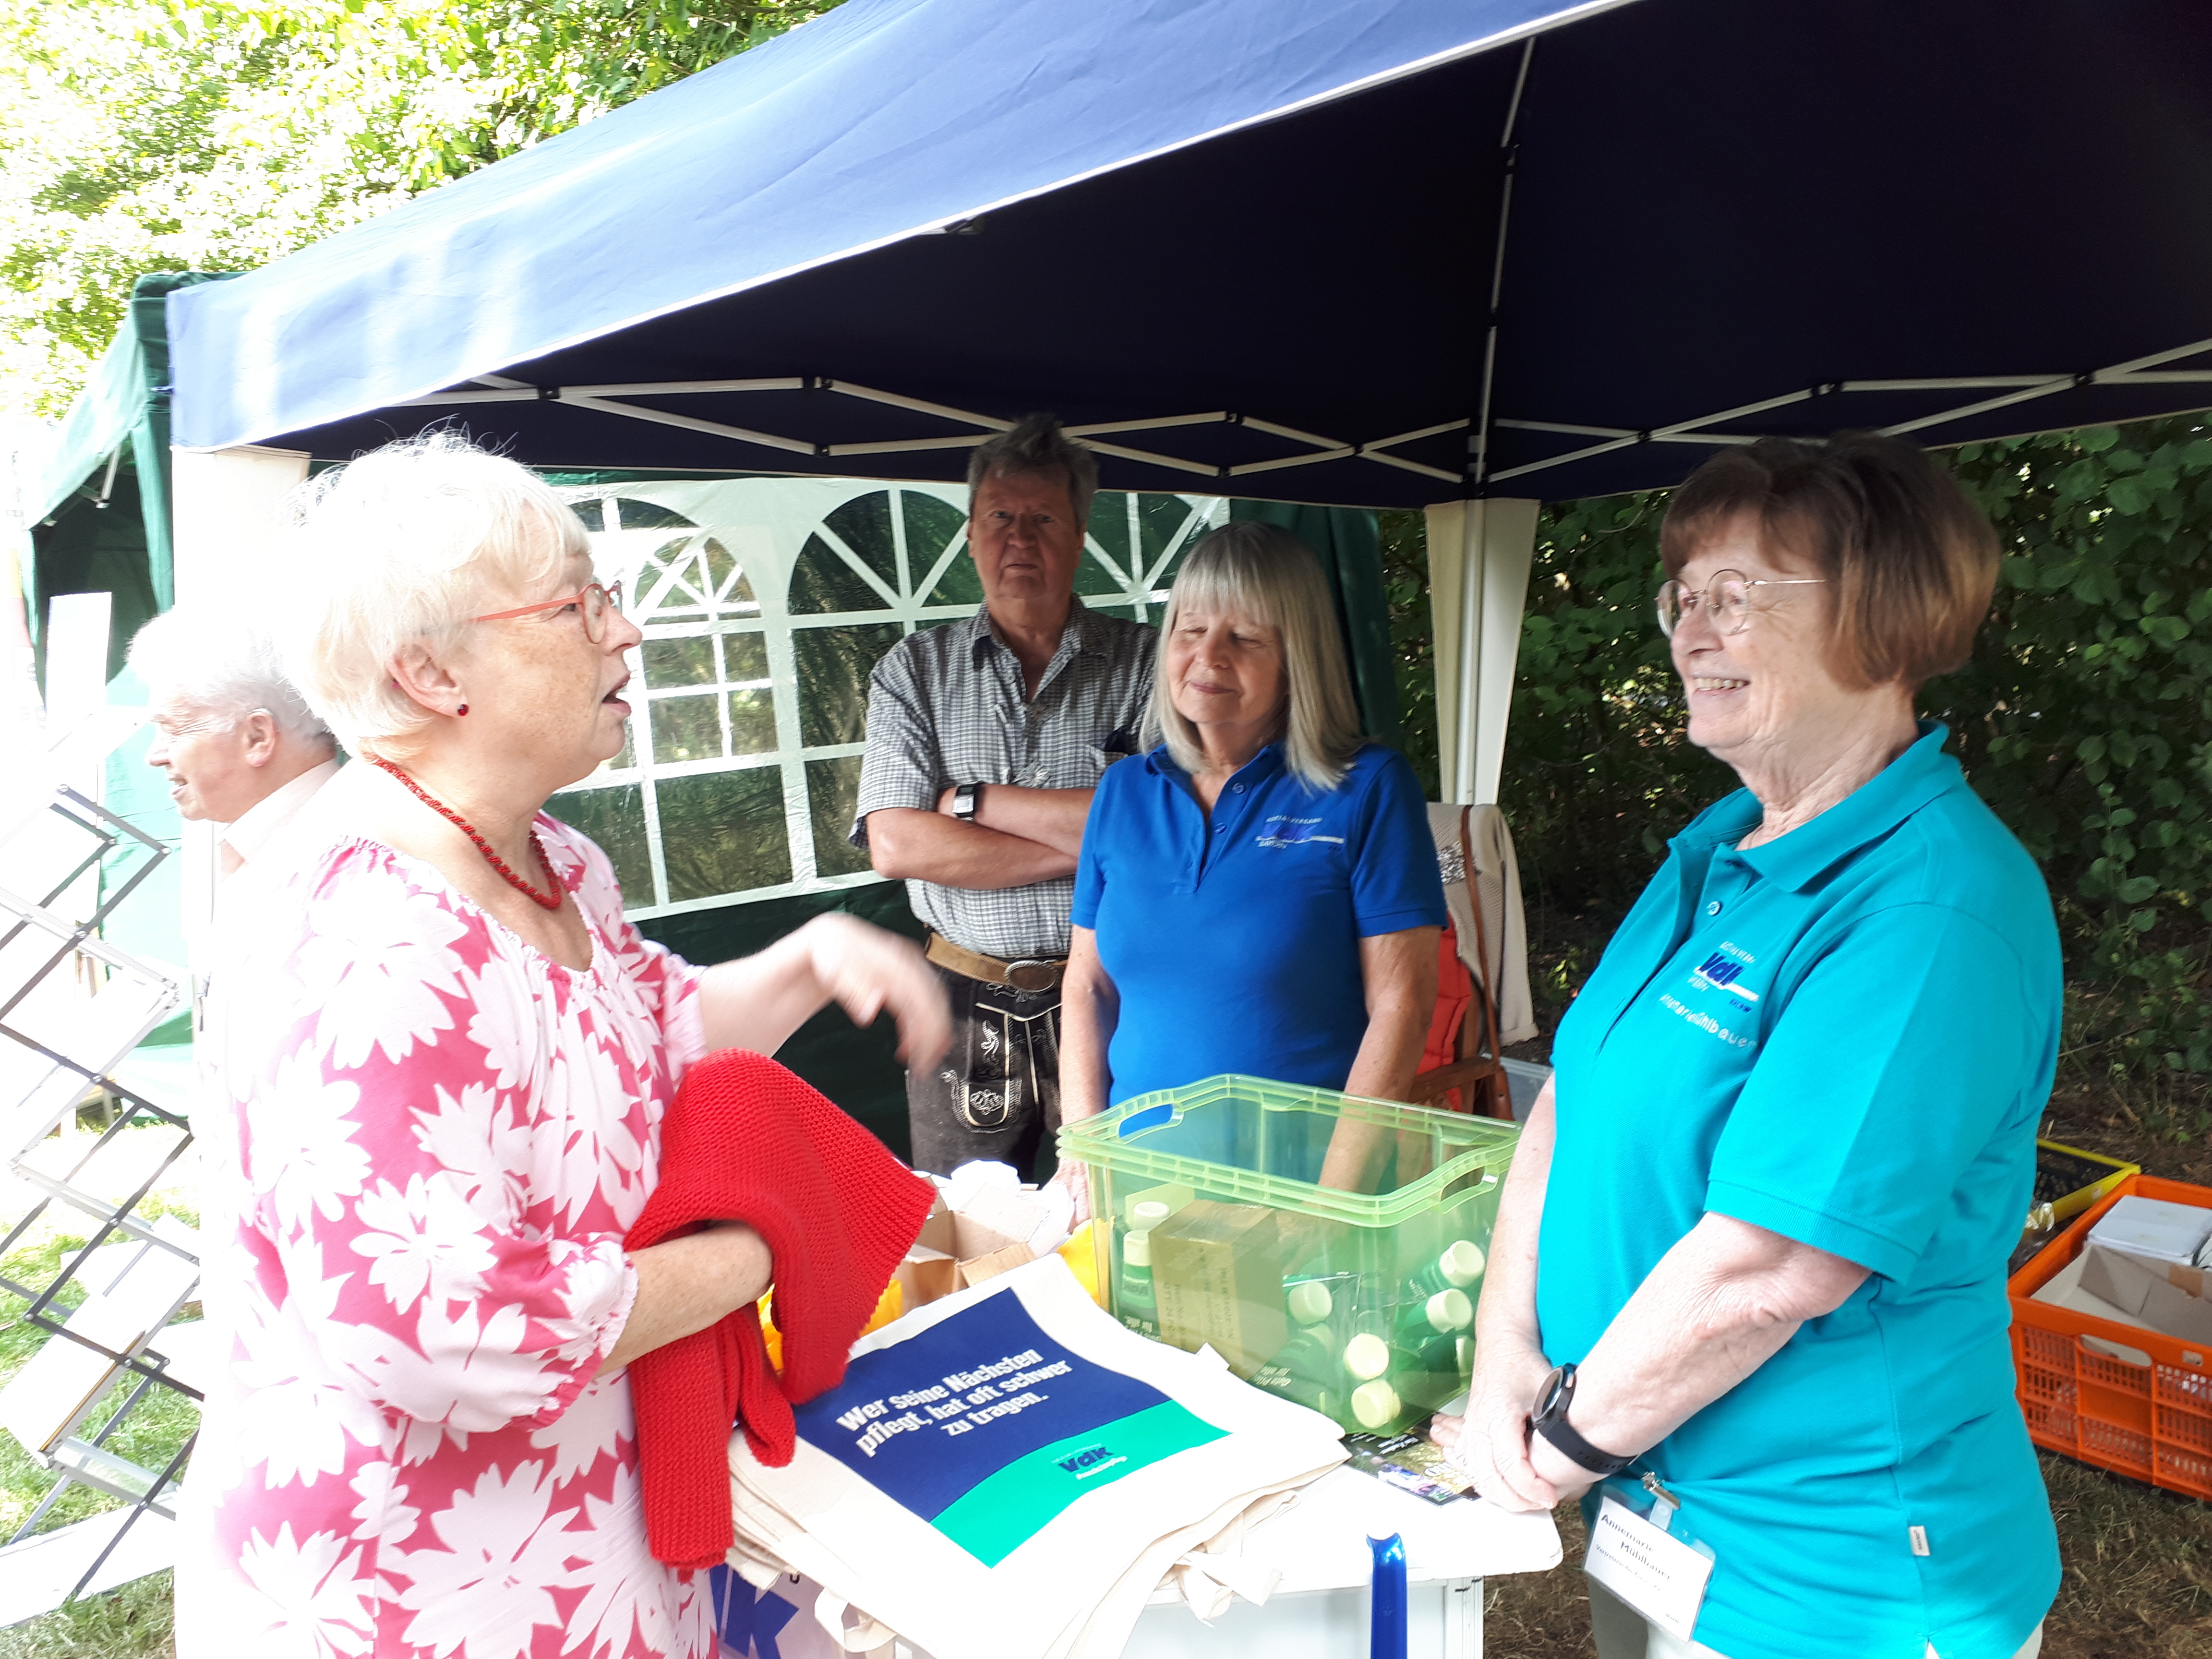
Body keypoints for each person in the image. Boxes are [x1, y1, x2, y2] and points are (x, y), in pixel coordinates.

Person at [175, 433, 949, 1659]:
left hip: (578, 1550)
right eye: (579, 602)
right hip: (405, 1595)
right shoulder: (361, 939)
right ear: (430, 670)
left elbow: (639, 1029)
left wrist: (806, 962)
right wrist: (757, 1248)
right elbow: (439, 1327)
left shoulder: (552, 859)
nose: (623, 630)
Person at [1437, 433, 2058, 1659]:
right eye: (1682, 596)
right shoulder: (1723, 848)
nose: (1687, 631)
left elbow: (1773, 1264)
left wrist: (1553, 1444)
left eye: (1736, 597)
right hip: (1655, 1495)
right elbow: (1569, 1100)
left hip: (1836, 1572)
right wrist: (1506, 1357)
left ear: (1882, 622)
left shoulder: (1933, 906)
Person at [1058, 522, 1447, 1203]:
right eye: (1190, 629)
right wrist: (1082, 1157)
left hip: (1300, 1191)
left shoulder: (1366, 787)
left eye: (1246, 637)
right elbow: (1087, 987)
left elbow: (1402, 1006)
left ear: (1298, 659)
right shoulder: (1124, 792)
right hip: (1140, 1191)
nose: (1209, 656)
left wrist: (1330, 1205)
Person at [853, 414, 1156, 1177]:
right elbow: (895, 844)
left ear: (1081, 533)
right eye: (1000, 518)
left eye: (1043, 518)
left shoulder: (1150, 664)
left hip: (1118, 994)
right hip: (961, 1005)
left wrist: (972, 801)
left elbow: (1168, 829)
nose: (1020, 538)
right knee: (972, 1239)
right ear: (970, 534)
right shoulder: (914, 669)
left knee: (1119, 1225)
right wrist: (1096, 845)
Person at [129, 607, 339, 876]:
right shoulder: (287, 844)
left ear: (257, 738)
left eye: (173, 732)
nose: (154, 757)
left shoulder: (348, 860)